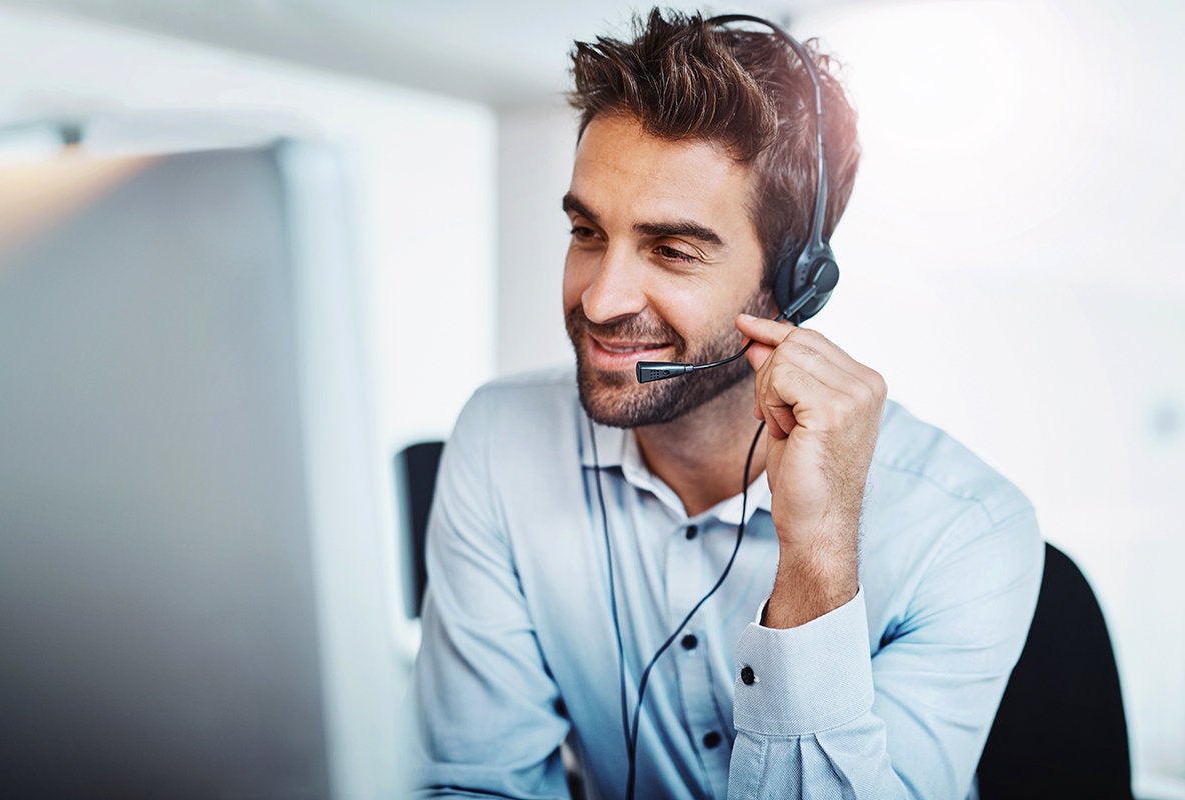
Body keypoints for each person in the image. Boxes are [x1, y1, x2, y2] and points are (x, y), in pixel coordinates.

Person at [411, 9, 1042, 799]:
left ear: (796, 283)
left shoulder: (963, 529)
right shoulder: (500, 440)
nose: (601, 300)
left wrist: (817, 561)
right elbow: (476, 786)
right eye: (587, 232)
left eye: (672, 251)